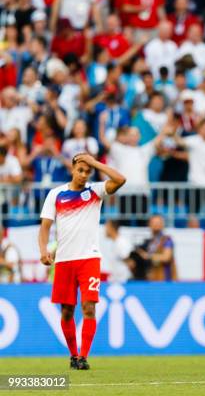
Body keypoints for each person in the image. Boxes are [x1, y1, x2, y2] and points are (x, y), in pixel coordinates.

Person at [38, 153, 126, 370]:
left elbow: (121, 180)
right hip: (65, 260)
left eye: (88, 172)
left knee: (89, 308)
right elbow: (45, 227)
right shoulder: (56, 194)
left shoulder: (94, 191)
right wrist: (43, 250)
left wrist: (95, 163)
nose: (84, 175)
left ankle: (83, 357)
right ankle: (73, 354)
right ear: (73, 169)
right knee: (67, 311)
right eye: (80, 170)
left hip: (89, 259)